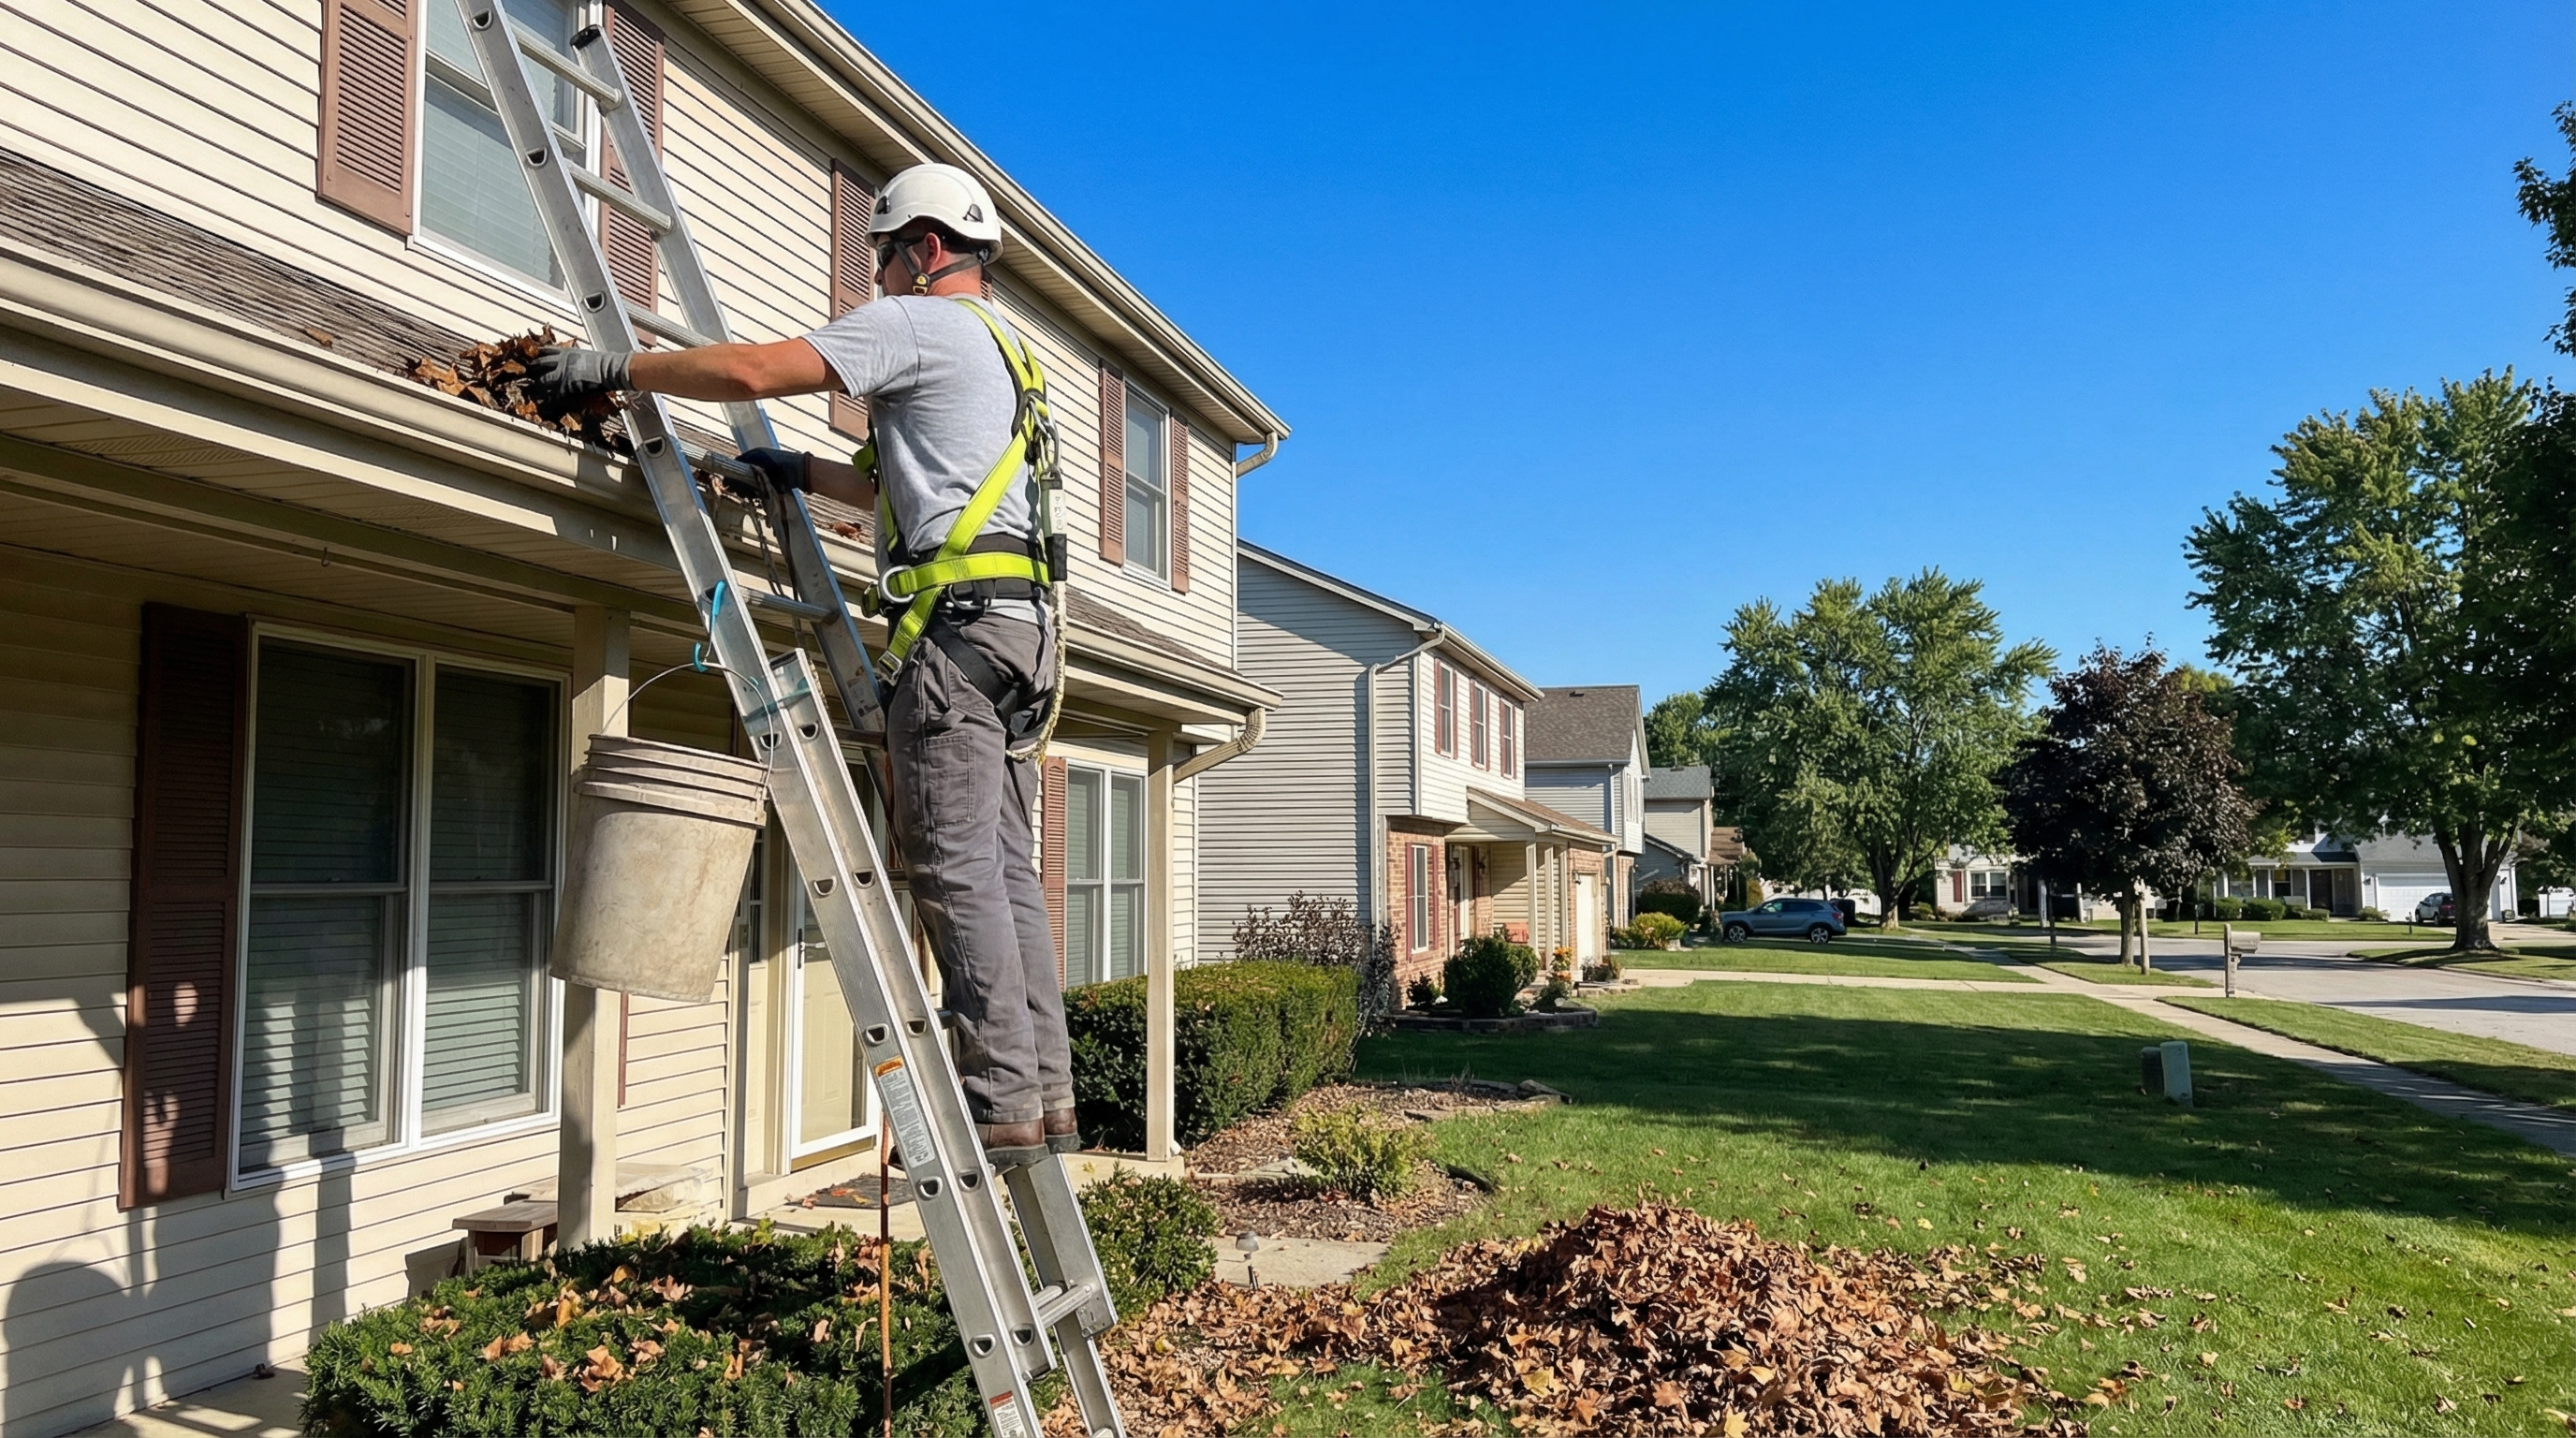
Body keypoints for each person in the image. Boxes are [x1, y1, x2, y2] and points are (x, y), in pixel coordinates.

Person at [524, 162, 1073, 1167]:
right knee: (1005, 875)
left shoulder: (919, 323)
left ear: (927, 248)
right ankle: (1042, 1096)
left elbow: (751, 373)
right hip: (1021, 639)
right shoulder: (1008, 355)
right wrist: (793, 474)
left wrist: (616, 369)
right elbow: (904, 492)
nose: (880, 278)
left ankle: (995, 1104)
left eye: (885, 257)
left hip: (953, 638)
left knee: (953, 872)